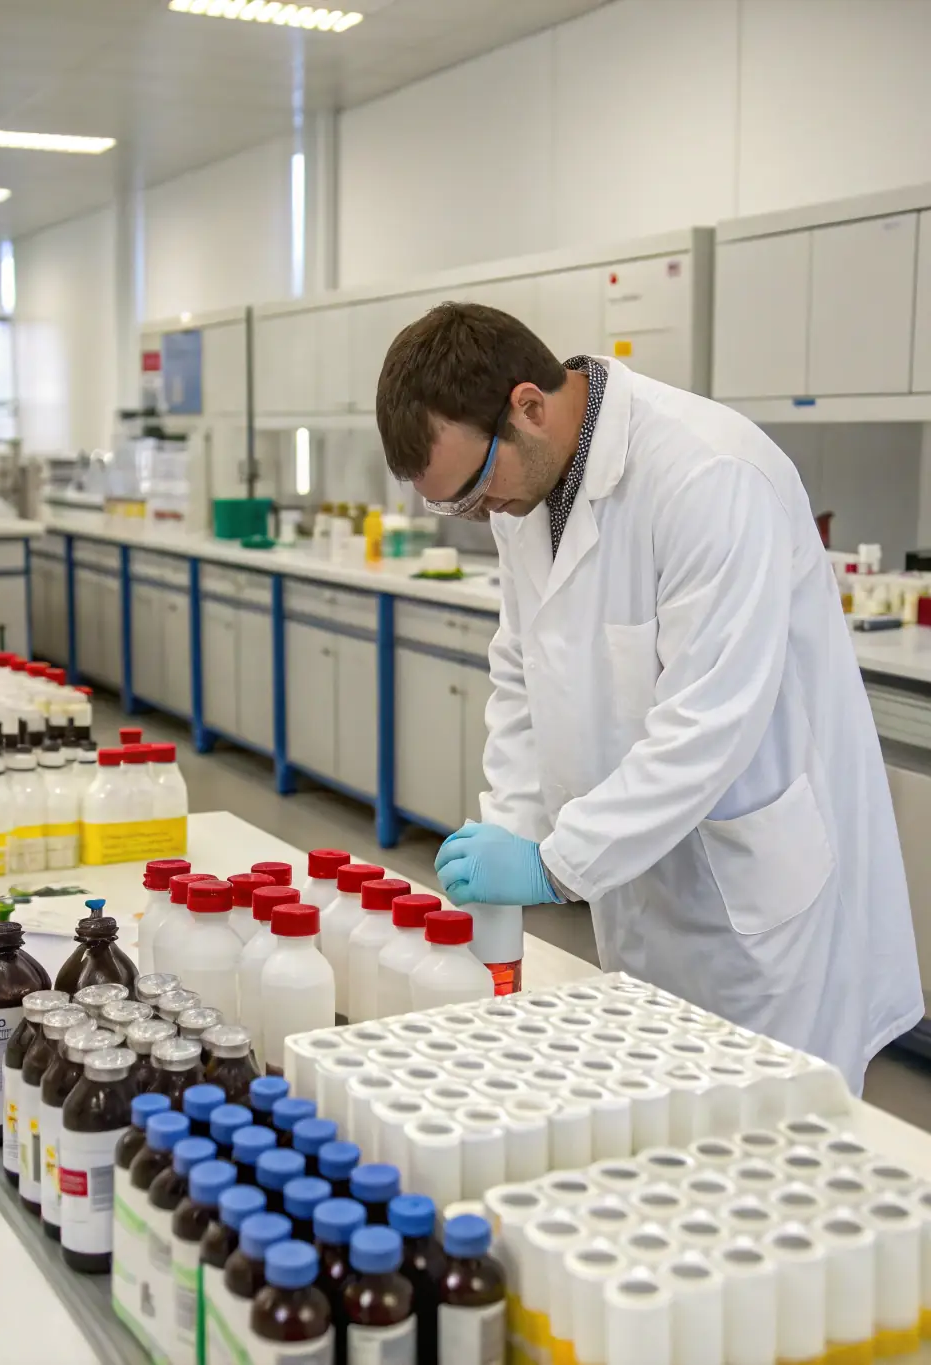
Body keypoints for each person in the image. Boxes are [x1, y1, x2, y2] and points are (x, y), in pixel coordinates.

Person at [375, 301, 922, 1093]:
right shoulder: (523, 489)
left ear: (527, 405)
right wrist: (511, 827)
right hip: (643, 884)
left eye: (474, 489)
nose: (479, 512)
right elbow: (523, 670)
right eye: (454, 505)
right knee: (660, 1138)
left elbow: (709, 723)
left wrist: (554, 863)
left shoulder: (710, 475)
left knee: (771, 1151)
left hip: (757, 914)